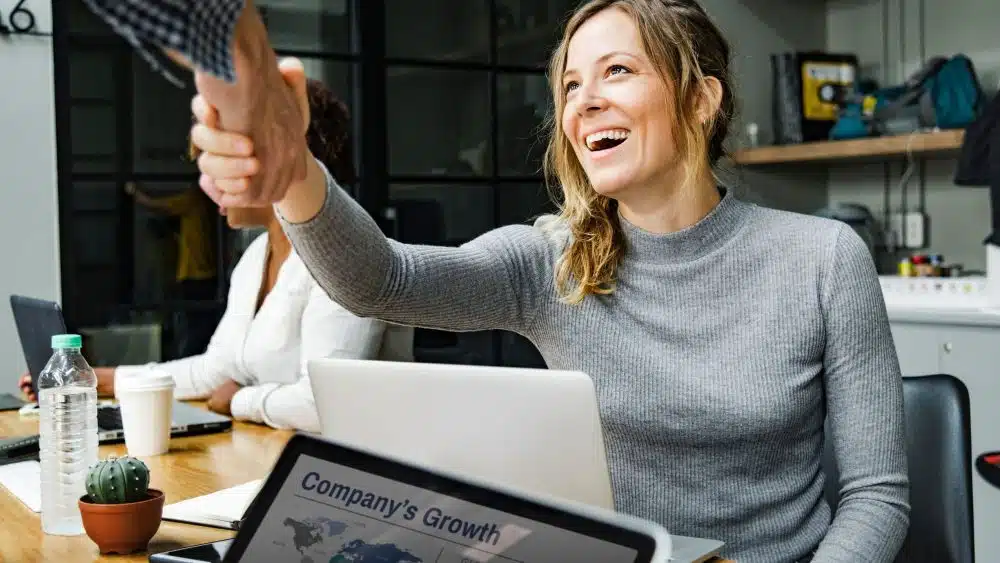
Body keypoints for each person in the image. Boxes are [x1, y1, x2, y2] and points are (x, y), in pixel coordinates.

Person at [82, 0, 909, 561]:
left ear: (700, 98)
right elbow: (382, 280)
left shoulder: (822, 259)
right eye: (571, 85)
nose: (584, 102)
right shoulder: (548, 258)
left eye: (617, 72)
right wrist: (295, 167)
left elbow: (876, 497)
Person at [21, 79, 413, 432]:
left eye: (222, 156)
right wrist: (94, 380)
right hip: (274, 453)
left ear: (281, 156)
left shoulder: (346, 252)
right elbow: (215, 371)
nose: (208, 179)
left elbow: (321, 404)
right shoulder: (257, 254)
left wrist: (240, 401)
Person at [125, 181, 219, 356]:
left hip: (196, 275)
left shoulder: (194, 199)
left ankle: (189, 360)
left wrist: (135, 194)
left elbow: (160, 205)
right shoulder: (204, 208)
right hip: (202, 274)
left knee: (195, 328)